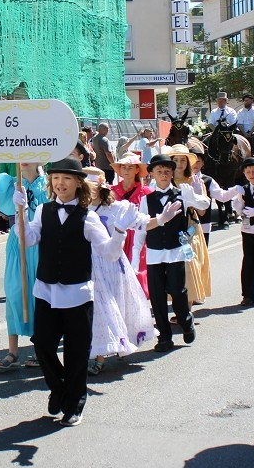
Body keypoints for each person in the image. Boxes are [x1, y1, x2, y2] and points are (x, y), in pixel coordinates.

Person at [12, 157, 135, 427]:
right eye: (55, 178)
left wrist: (119, 230)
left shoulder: (88, 217)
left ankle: (74, 404)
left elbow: (110, 253)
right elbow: (29, 240)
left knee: (77, 354)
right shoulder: (42, 210)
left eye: (66, 178)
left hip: (78, 294)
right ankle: (59, 388)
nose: (60, 183)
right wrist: (19, 213)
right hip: (45, 291)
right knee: (42, 345)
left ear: (78, 183)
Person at [84, 168, 154, 375]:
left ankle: (112, 347)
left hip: (112, 265)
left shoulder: (116, 208)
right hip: (87, 266)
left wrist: (163, 219)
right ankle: (98, 356)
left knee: (112, 308)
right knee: (98, 311)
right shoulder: (78, 209)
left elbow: (142, 223)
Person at [137, 153, 200, 352]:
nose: (163, 175)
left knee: (177, 290)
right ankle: (164, 336)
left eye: (167, 171)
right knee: (156, 296)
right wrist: (134, 255)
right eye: (159, 171)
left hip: (176, 251)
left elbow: (204, 206)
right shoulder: (146, 199)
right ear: (152, 175)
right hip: (155, 252)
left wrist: (195, 197)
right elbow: (141, 227)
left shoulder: (182, 194)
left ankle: (185, 320)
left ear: (172, 173)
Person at [0, 163, 48, 369]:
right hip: (18, 243)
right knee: (15, 293)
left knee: (40, 297)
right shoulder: (10, 183)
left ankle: (40, 349)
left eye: (29, 154)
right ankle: (12, 352)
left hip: (42, 244)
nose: (23, 159)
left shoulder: (49, 183)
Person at [209, 157, 254, 306]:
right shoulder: (243, 189)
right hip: (247, 231)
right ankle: (248, 295)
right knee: (248, 262)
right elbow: (240, 209)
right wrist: (237, 205)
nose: (251, 174)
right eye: (248, 172)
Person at [167, 144, 212, 306]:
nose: (179, 164)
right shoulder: (165, 180)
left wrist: (196, 195)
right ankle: (179, 308)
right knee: (173, 269)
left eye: (182, 160)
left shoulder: (195, 181)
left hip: (190, 230)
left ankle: (187, 310)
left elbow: (202, 212)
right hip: (170, 229)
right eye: (175, 160)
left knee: (189, 266)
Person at [110, 153, 152, 297]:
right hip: (117, 235)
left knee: (138, 269)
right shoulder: (111, 191)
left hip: (137, 237)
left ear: (137, 170)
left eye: (130, 167)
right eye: (124, 167)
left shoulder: (146, 192)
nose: (126, 170)